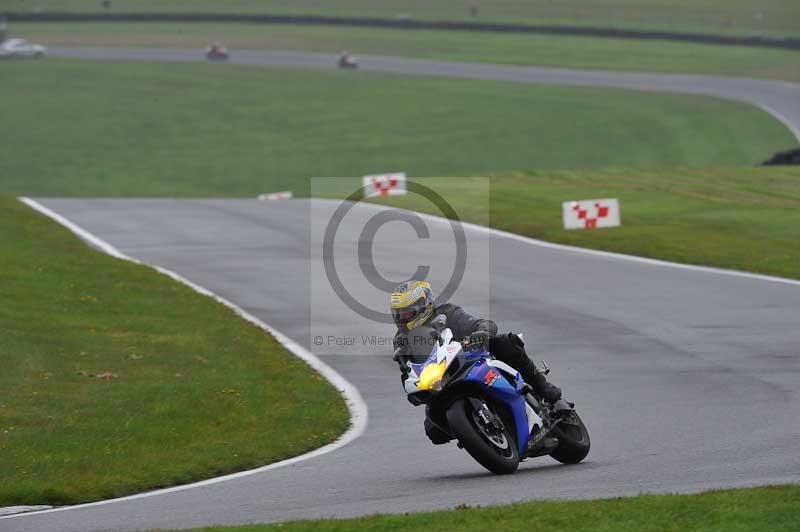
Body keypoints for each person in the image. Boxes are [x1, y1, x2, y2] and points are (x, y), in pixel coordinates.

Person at [390, 280, 562, 403]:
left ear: (424, 305)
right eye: (399, 314)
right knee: (433, 429)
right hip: (440, 379)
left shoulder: (447, 313)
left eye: (407, 312)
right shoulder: (401, 339)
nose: (403, 317)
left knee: (505, 343)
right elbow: (407, 371)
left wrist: (481, 333)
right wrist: (411, 388)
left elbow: (480, 324)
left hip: (470, 358)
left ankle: (542, 386)